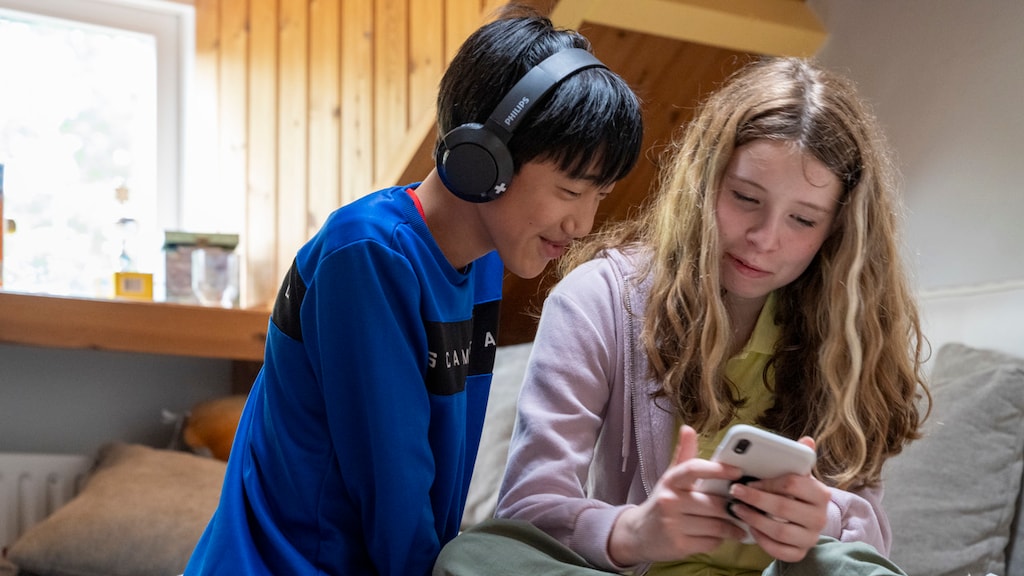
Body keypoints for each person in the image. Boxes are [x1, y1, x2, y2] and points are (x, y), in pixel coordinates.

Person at [183, 5, 643, 576]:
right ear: (485, 160)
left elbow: (432, 483)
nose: (583, 224)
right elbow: (393, 479)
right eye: (572, 189)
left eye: (599, 196)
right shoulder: (368, 252)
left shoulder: (482, 263)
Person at [434, 57, 930, 576]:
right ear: (703, 182)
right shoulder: (602, 298)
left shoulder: (851, 333)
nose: (764, 239)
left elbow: (868, 544)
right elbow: (529, 510)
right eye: (744, 198)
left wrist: (820, 519)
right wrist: (635, 532)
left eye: (803, 219)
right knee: (473, 556)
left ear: (837, 229)